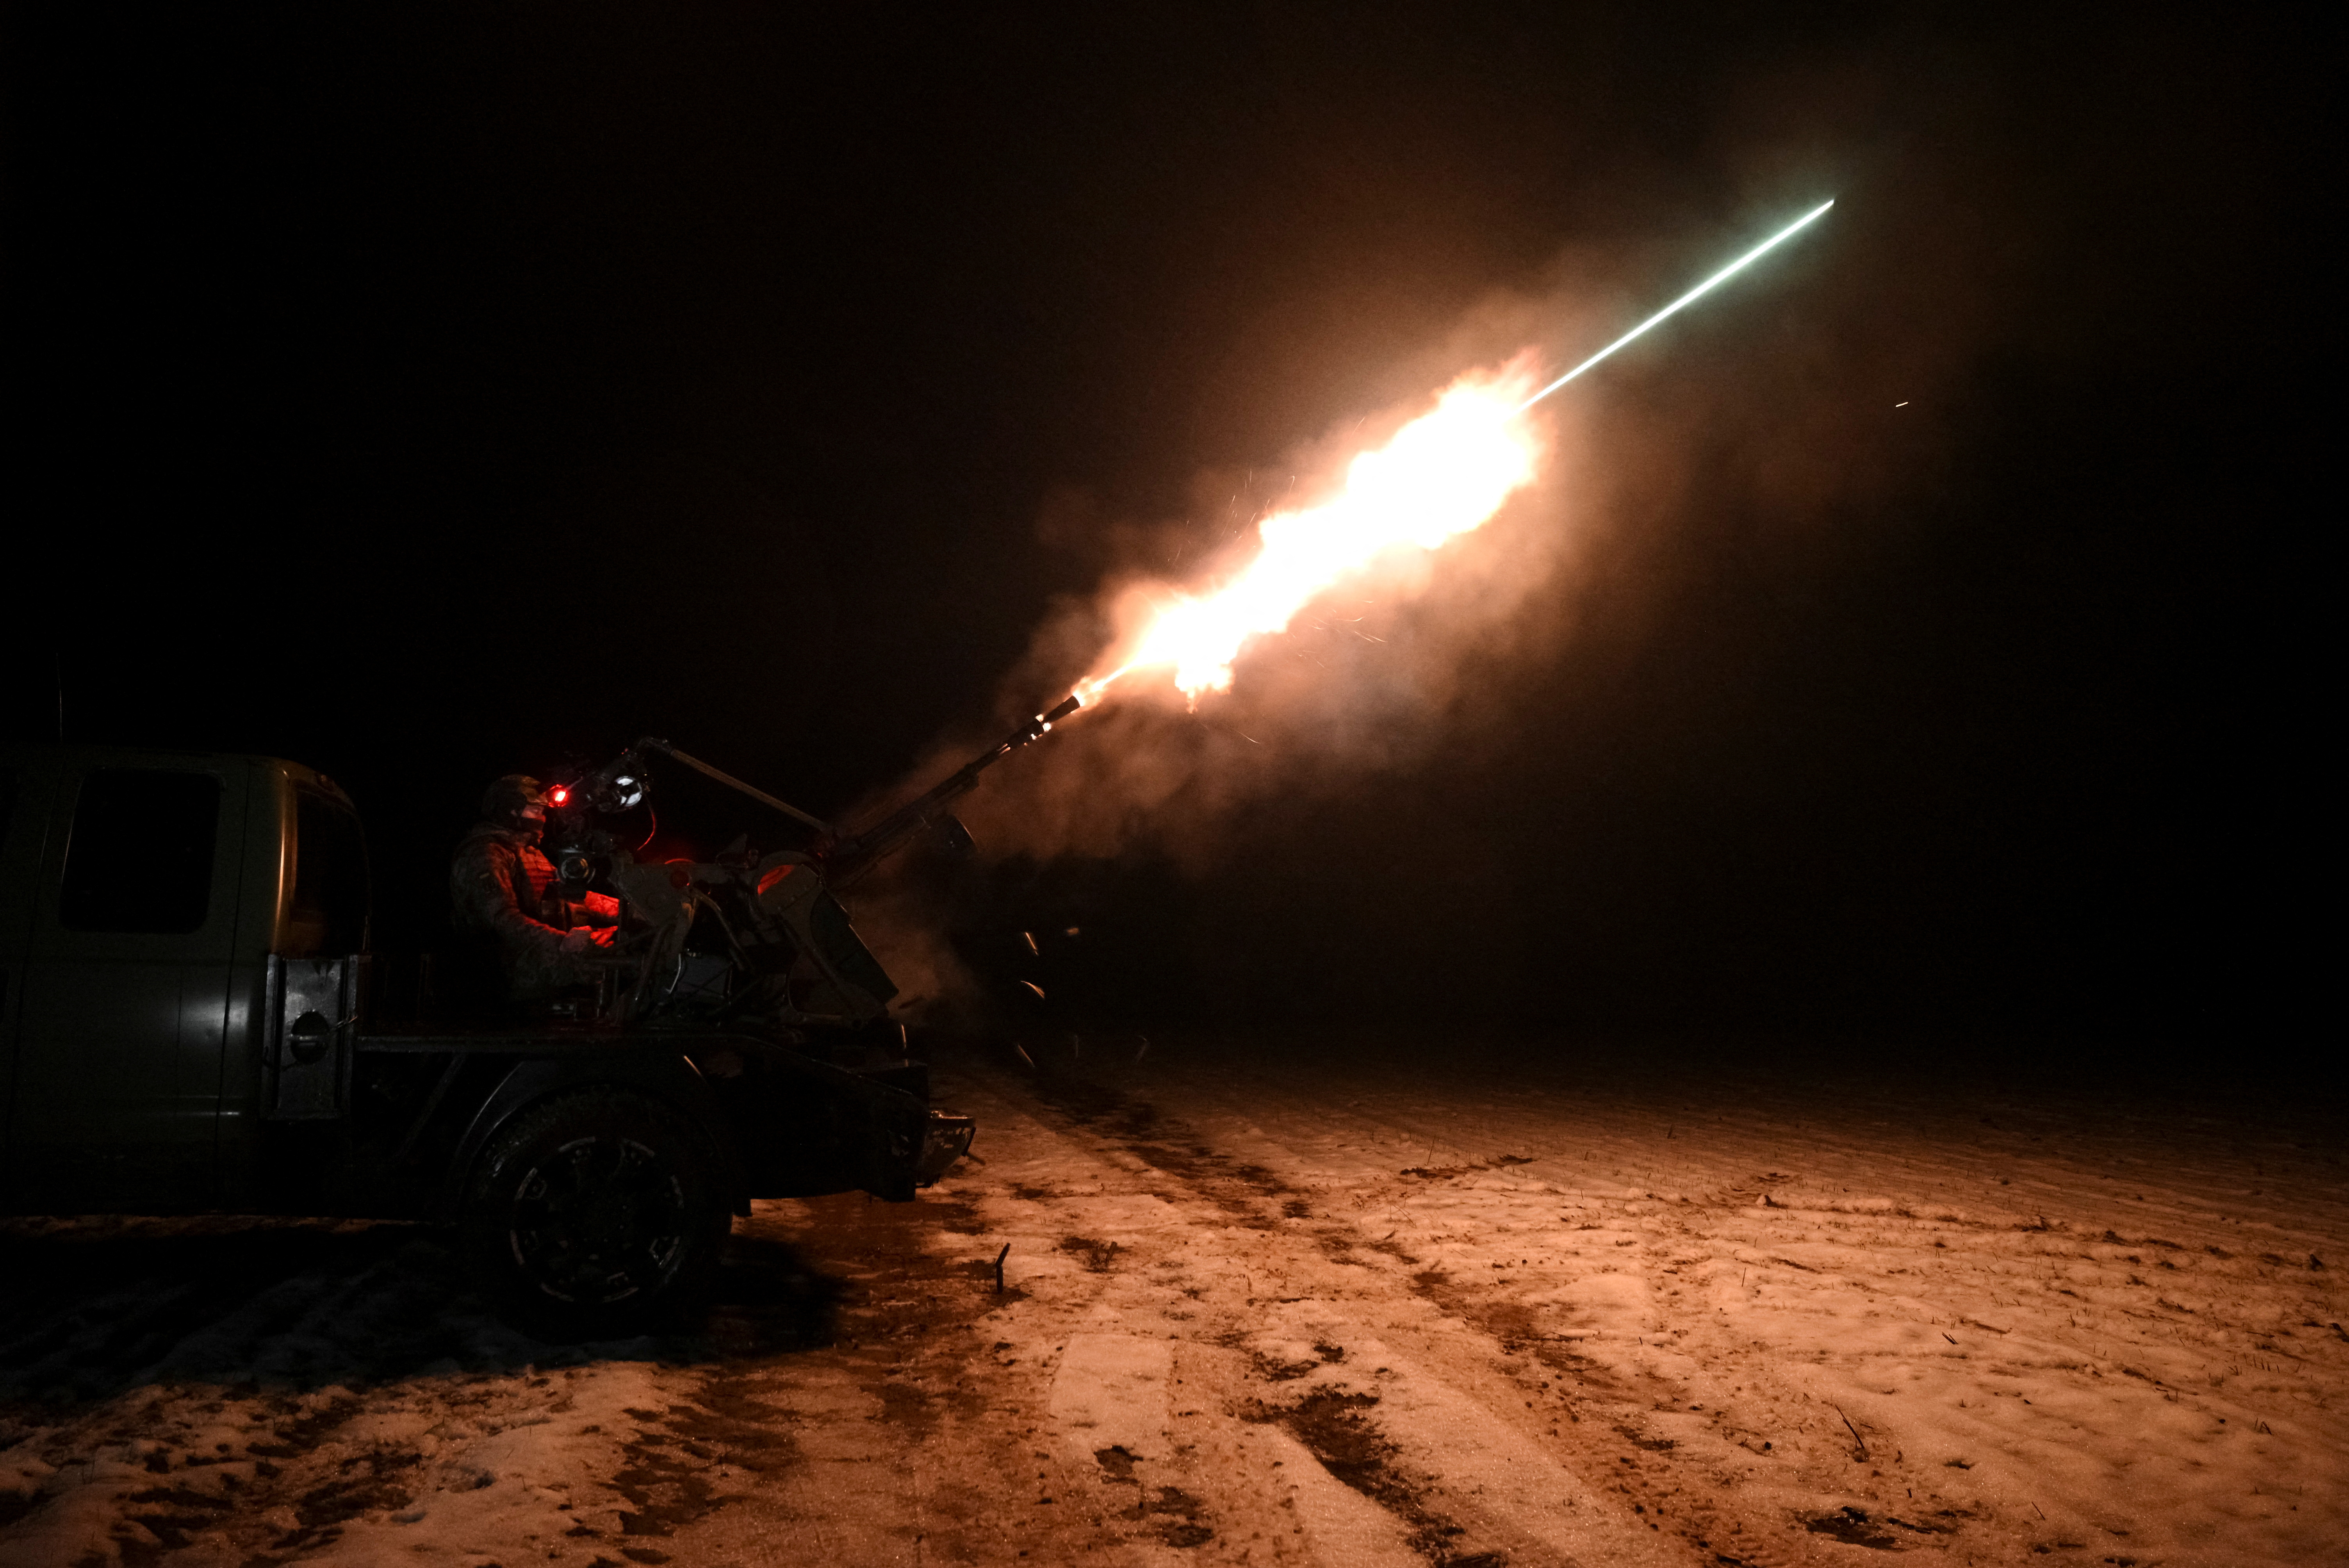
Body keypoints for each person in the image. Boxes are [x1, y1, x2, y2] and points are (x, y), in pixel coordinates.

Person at [449, 773, 619, 1003]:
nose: (543, 818)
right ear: (512, 811)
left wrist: (626, 910)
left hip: (530, 950)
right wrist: (562, 941)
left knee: (621, 941)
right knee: (606, 962)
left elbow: (568, 894)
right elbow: (502, 920)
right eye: (536, 811)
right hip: (501, 963)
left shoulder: (528, 852)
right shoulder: (486, 854)